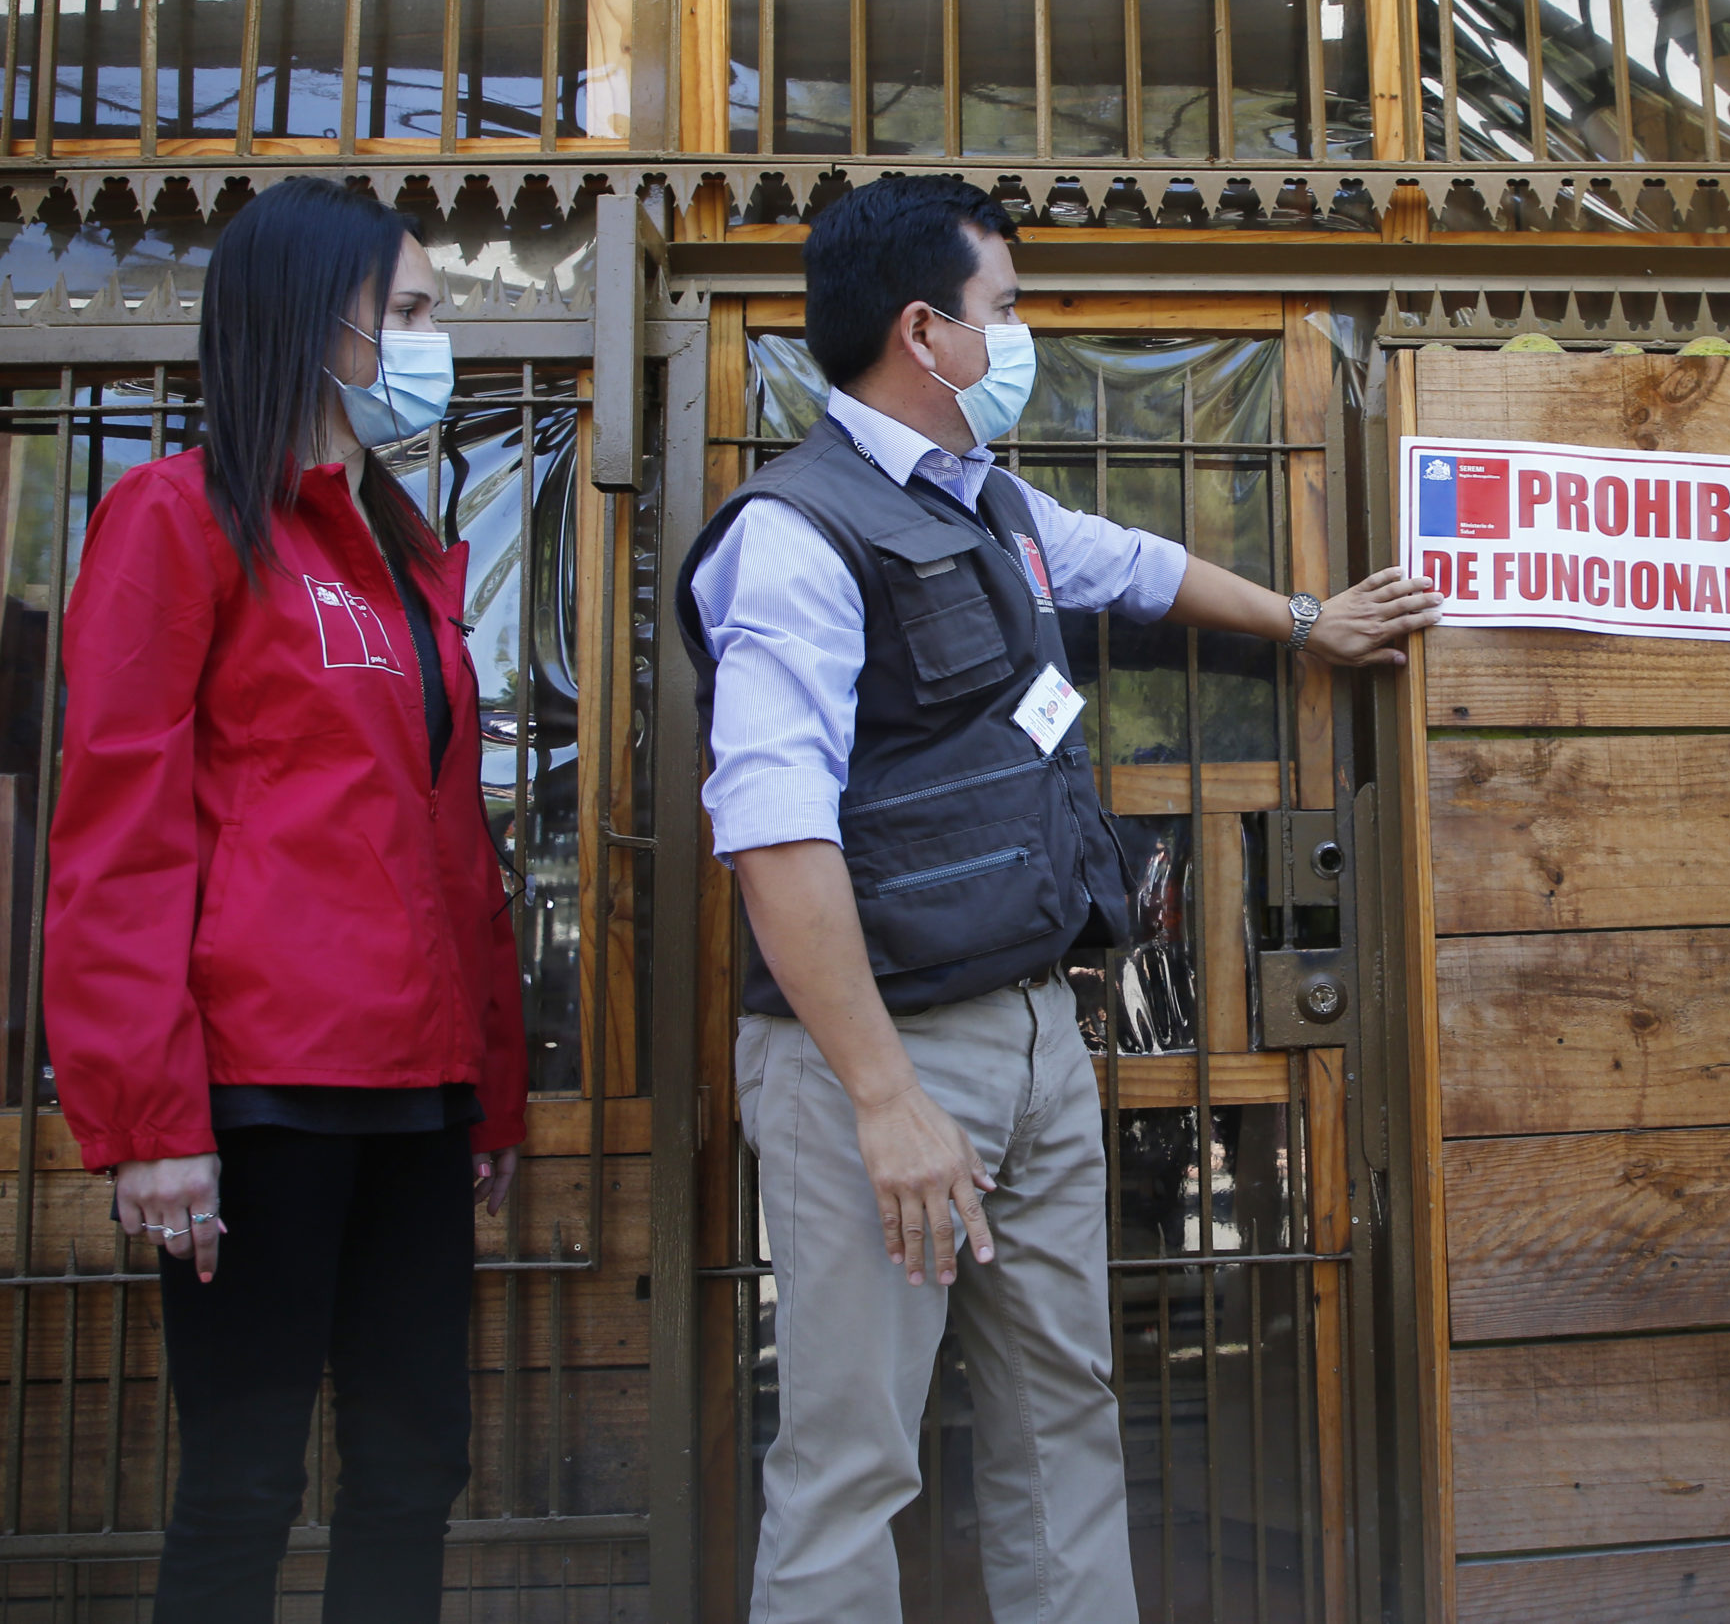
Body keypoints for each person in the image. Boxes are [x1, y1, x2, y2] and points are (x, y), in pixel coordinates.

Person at [675, 173, 1439, 1624]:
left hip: (1035, 1037)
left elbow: (1136, 569)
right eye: (1006, 310)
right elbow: (772, 837)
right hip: (879, 1061)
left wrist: (1305, 622)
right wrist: (885, 1097)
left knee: (1065, 1419)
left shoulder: (998, 507)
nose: (1019, 338)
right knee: (851, 1464)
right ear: (925, 332)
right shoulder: (794, 532)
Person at [43, 177, 527, 1624]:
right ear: (321, 324)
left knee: (416, 1464)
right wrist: (148, 1121)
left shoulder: (404, 553)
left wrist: (490, 1089)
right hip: (259, 1090)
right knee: (244, 1480)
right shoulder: (173, 517)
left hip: (418, 1087)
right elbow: (117, 834)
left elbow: (451, 847)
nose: (436, 338)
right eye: (413, 311)